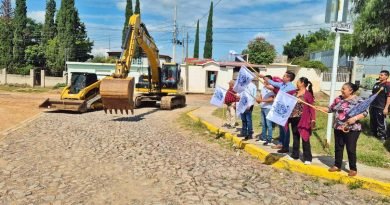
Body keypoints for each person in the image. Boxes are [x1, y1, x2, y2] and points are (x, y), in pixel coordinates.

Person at [319, 83, 368, 177]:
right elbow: (330, 109)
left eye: (343, 89)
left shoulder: (358, 100)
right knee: (338, 147)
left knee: (350, 148)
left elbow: (365, 112)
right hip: (338, 126)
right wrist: (320, 108)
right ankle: (337, 165)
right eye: (342, 88)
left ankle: (353, 168)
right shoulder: (338, 99)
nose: (341, 90)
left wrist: (355, 118)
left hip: (352, 128)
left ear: (350, 90)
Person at [259, 71, 296, 153]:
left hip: (286, 111)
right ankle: (281, 143)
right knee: (281, 128)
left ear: (289, 78)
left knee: (285, 129)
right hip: (279, 109)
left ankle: (285, 146)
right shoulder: (282, 84)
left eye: (284, 76)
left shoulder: (292, 87)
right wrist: (263, 77)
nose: (283, 77)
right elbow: (272, 82)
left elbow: (291, 100)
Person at [288, 77, 316, 165]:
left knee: (305, 137)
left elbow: (312, 108)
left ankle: (307, 158)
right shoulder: (294, 92)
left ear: (303, 83)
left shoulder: (308, 94)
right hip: (293, 117)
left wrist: (313, 119)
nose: (297, 83)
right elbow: (283, 94)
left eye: (298, 82)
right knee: (295, 137)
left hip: (304, 119)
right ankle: (295, 155)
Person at [369, 70, 390, 143]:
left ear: (386, 76)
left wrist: (386, 108)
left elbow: (389, 97)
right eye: (380, 75)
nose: (380, 76)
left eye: (382, 75)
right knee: (372, 120)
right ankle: (373, 133)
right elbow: (372, 95)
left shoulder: (387, 85)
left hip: (381, 107)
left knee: (380, 122)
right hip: (373, 105)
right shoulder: (376, 84)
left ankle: (383, 136)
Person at [256, 75, 275, 145]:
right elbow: (261, 97)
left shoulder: (272, 88)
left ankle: (269, 140)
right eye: (264, 80)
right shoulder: (263, 87)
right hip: (263, 107)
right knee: (263, 124)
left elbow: (271, 99)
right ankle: (263, 138)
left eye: (266, 80)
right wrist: (258, 100)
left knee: (269, 124)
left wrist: (261, 100)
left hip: (268, 108)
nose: (264, 81)